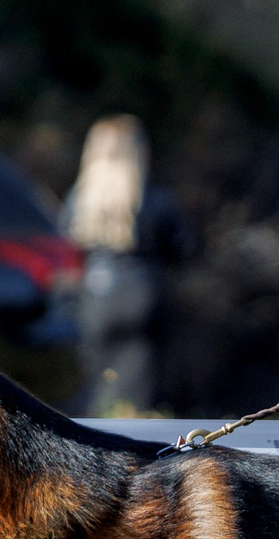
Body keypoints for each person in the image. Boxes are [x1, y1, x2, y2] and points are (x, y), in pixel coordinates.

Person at [63, 114, 195, 416]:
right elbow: (185, 248)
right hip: (144, 298)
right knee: (141, 393)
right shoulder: (156, 198)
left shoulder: (77, 200)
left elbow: (68, 252)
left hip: (94, 300)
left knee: (98, 388)